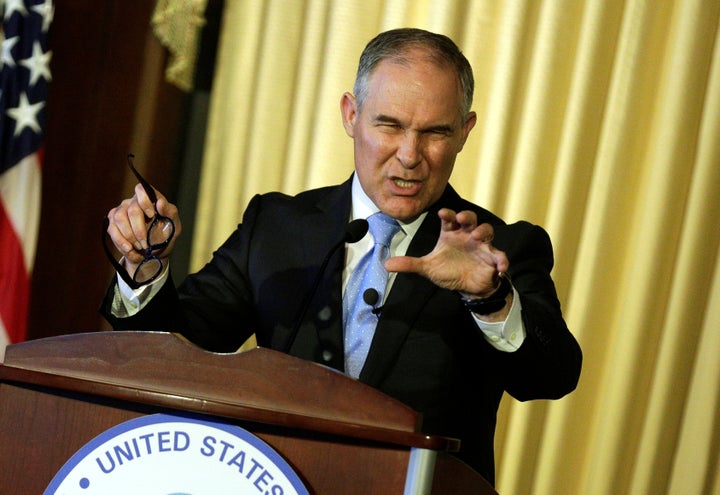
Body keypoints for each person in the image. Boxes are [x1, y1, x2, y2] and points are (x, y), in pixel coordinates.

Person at [102, 28, 582, 486]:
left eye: (435, 132)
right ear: (351, 114)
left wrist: (491, 299)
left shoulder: (499, 248)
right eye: (389, 125)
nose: (410, 155)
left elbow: (551, 376)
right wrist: (144, 266)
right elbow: (178, 350)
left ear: (464, 131)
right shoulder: (277, 226)